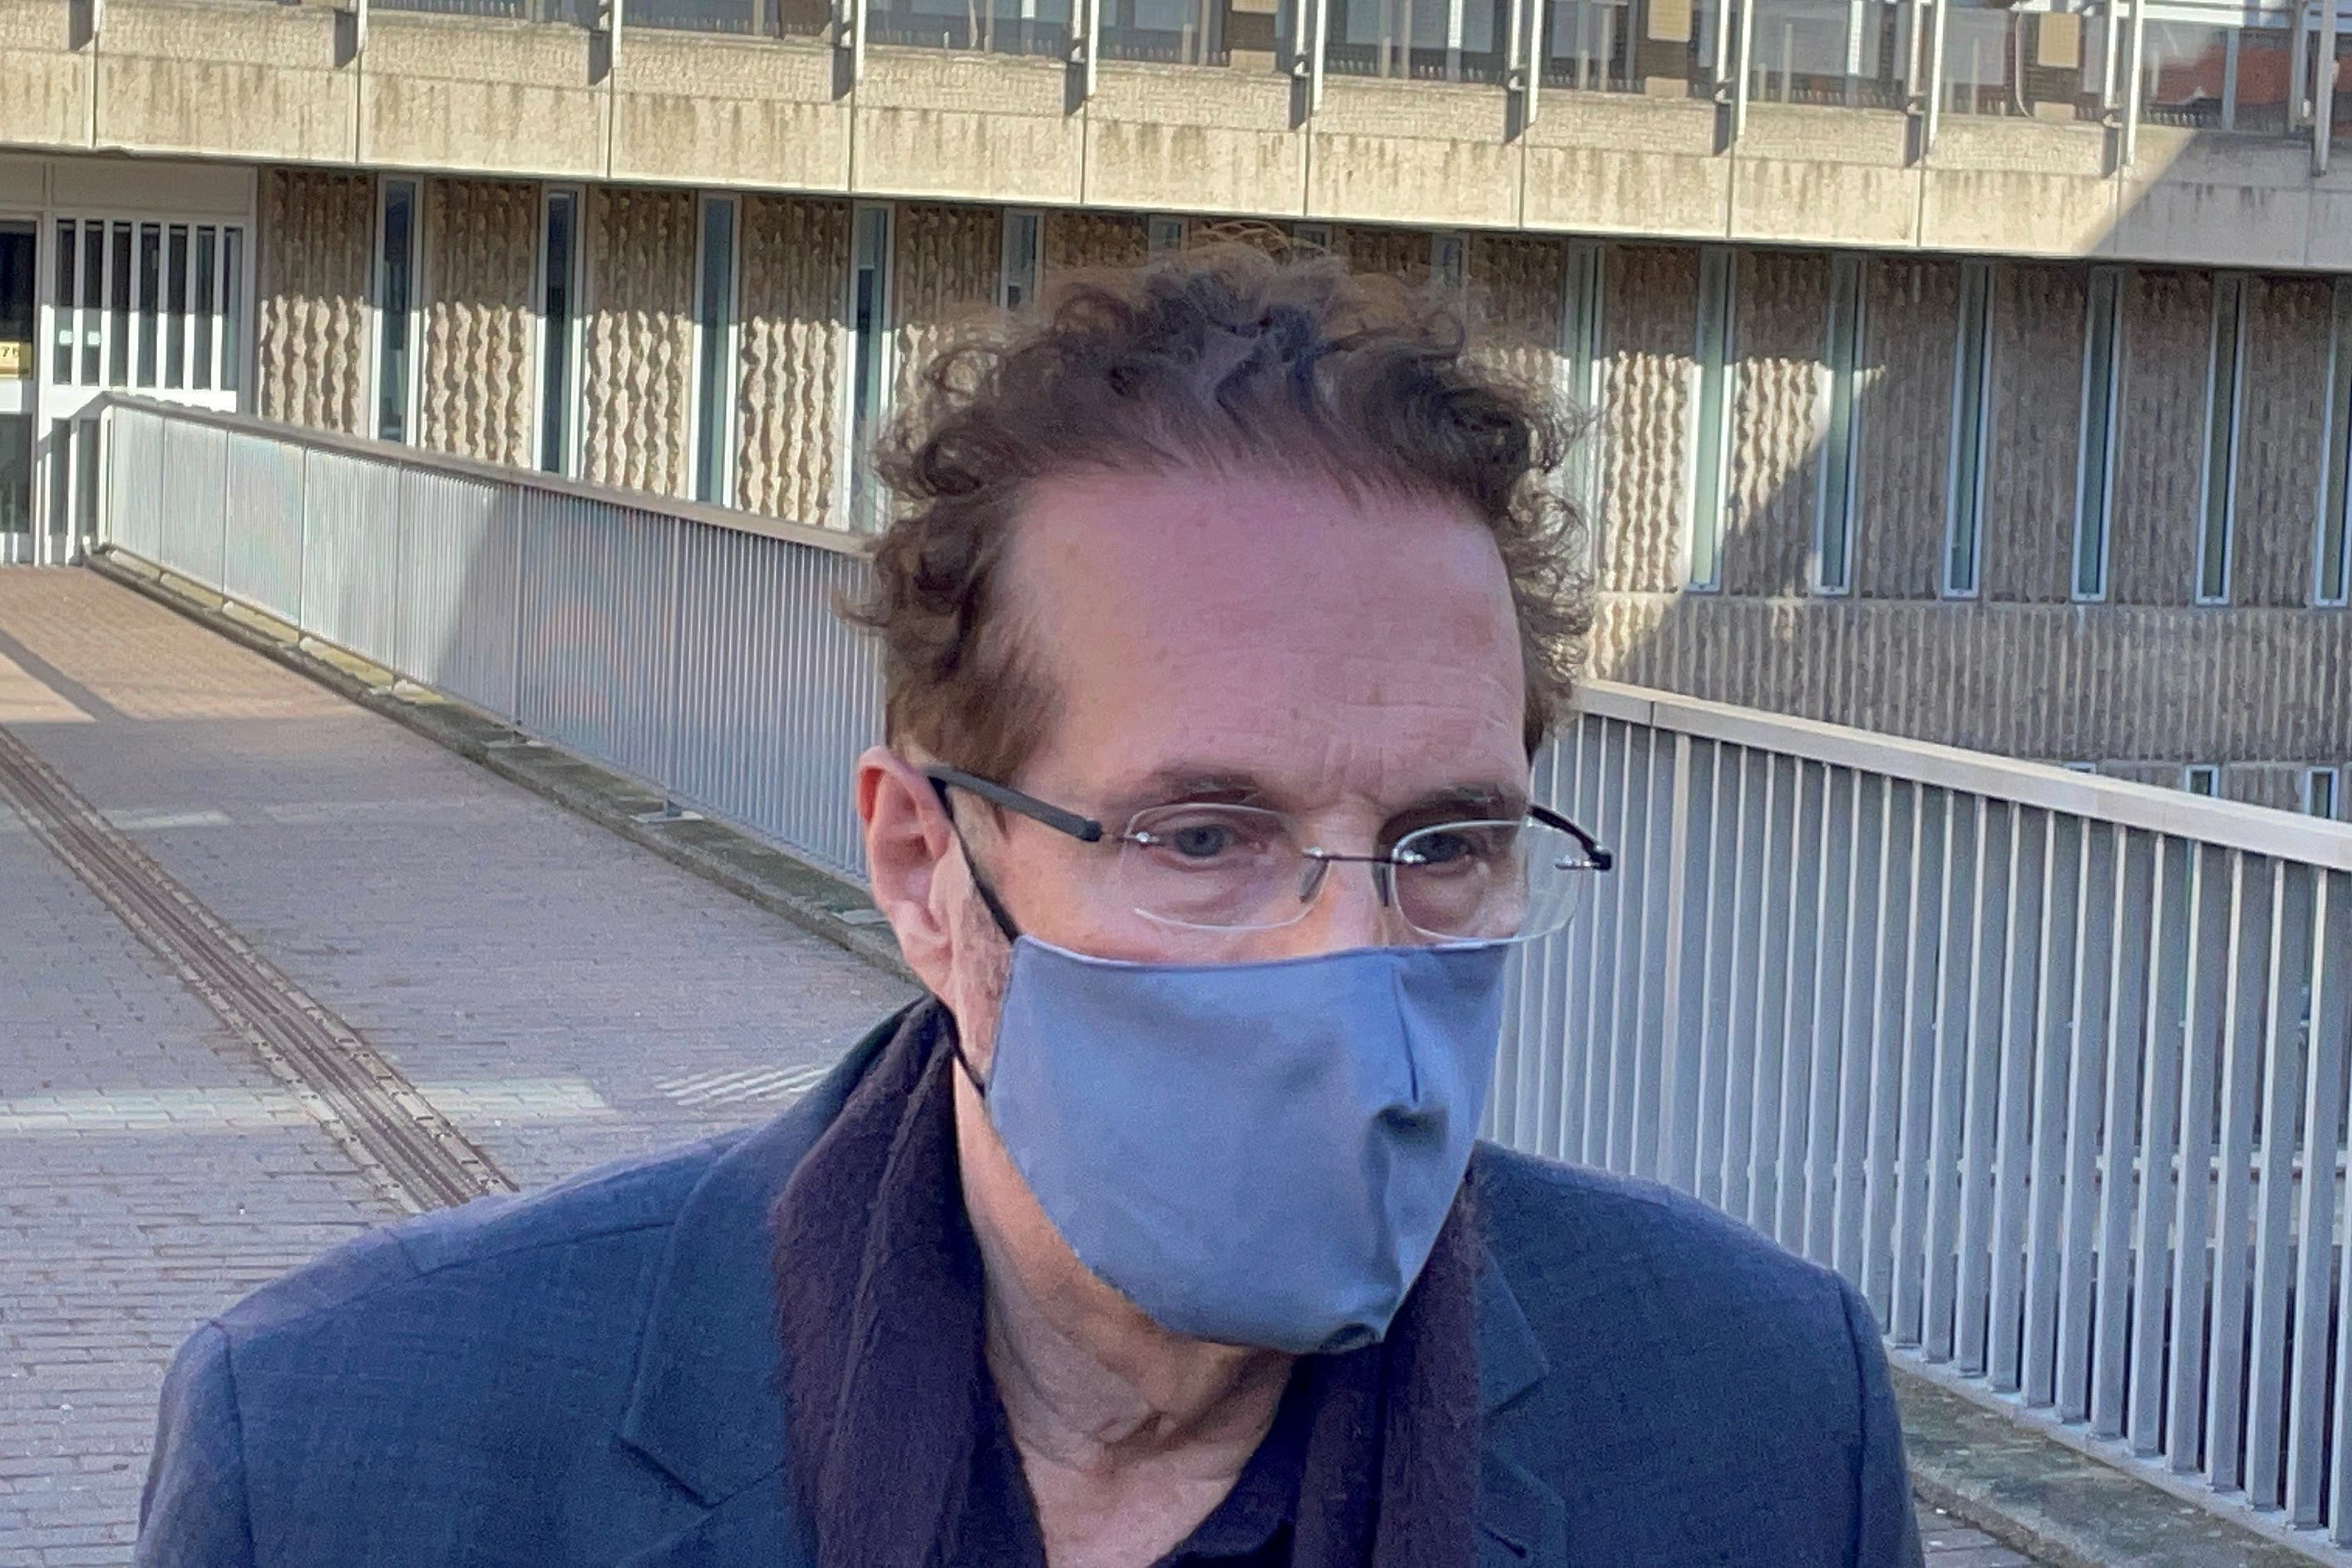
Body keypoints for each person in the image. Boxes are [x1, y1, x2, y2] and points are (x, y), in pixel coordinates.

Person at [136, 244, 1924, 1567]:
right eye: (1204, 837)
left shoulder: (1760, 1423)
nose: (1353, 959)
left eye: (1443, 844)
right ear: (928, 866)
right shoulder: (349, 1454)